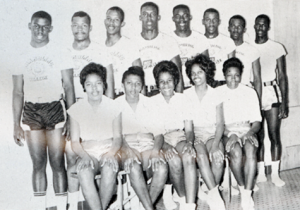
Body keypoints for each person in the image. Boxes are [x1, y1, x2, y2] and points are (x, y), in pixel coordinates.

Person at [12, 11, 75, 210]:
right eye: (36, 25)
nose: (40, 29)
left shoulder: (60, 52)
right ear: (30, 26)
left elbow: (68, 87)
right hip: (31, 110)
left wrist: (72, 118)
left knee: (57, 163)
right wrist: (15, 124)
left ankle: (60, 206)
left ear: (51, 29)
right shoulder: (20, 54)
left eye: (45, 26)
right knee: (38, 164)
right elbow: (17, 91)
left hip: (54, 108)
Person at [66, 11, 114, 209]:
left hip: (99, 109)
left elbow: (108, 84)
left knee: (105, 165)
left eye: (84, 25)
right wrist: (71, 116)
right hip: (78, 110)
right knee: (74, 157)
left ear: (90, 27)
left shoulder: (100, 51)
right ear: (71, 26)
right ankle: (75, 202)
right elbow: (68, 86)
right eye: (76, 25)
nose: (80, 29)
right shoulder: (66, 52)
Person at [67, 63, 122, 210]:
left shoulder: (113, 106)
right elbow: (74, 142)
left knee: (110, 167)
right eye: (89, 84)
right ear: (84, 87)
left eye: (98, 83)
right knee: (83, 170)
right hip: (88, 153)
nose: (94, 88)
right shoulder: (76, 109)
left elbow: (117, 138)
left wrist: (111, 154)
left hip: (108, 150)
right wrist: (84, 156)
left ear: (104, 85)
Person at [115, 66, 168, 209]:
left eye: (137, 83)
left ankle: (144, 206)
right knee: (133, 165)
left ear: (142, 86)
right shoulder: (115, 105)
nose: (133, 88)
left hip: (147, 145)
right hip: (126, 145)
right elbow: (116, 136)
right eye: (129, 83)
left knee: (162, 168)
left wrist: (156, 151)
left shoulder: (150, 104)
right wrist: (128, 151)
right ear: (122, 85)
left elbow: (158, 134)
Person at [217, 57, 261, 210]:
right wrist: (231, 134)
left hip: (246, 129)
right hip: (227, 131)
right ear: (224, 75)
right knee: (235, 151)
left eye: (237, 75)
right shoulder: (218, 93)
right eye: (229, 75)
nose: (233, 79)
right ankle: (243, 188)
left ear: (241, 75)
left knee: (250, 150)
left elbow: (256, 122)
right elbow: (218, 123)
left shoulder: (250, 92)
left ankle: (247, 195)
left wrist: (249, 133)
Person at [152, 61, 197, 210]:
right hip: (160, 139)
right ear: (157, 84)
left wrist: (190, 143)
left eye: (169, 81)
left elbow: (189, 130)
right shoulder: (152, 102)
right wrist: (164, 146)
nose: (166, 85)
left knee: (189, 156)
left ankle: (190, 205)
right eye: (162, 82)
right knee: (175, 161)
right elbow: (154, 133)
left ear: (175, 81)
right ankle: (182, 197)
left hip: (179, 136)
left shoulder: (183, 99)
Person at [184, 54, 226, 210]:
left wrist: (215, 145)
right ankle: (215, 196)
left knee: (218, 158)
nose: (196, 76)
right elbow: (188, 127)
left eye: (199, 72)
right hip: (195, 134)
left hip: (213, 134)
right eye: (193, 73)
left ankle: (207, 190)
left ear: (206, 72)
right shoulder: (186, 95)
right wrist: (190, 140)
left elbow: (220, 124)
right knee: (201, 155)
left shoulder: (216, 93)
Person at [253, 14, 288, 187]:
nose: (260, 28)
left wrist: (285, 102)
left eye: (263, 25)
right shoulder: (248, 47)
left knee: (274, 135)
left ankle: (275, 174)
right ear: (254, 26)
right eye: (258, 25)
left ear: (268, 27)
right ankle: (260, 172)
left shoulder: (276, 47)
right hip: (253, 92)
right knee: (258, 135)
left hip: (271, 91)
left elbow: (282, 76)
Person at [138, 2, 183, 96]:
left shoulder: (168, 41)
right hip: (142, 93)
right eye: (145, 14)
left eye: (153, 14)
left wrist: (179, 100)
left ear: (158, 17)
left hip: (164, 93)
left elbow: (178, 74)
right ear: (140, 17)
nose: (149, 18)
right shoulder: (133, 42)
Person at [104, 6, 143, 97]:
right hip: (104, 97)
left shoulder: (129, 45)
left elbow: (140, 76)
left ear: (122, 23)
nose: (111, 23)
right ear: (105, 21)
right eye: (109, 19)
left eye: (116, 20)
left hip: (123, 95)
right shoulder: (99, 47)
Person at [171, 4, 209, 89]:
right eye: (177, 16)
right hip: (174, 88)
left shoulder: (200, 39)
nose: (182, 19)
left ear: (190, 17)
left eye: (185, 16)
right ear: (173, 19)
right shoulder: (168, 39)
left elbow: (207, 68)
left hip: (195, 87)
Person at [228, 15, 262, 99]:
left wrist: (258, 102)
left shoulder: (252, 50)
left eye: (239, 27)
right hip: (227, 92)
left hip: (245, 92)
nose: (235, 29)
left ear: (244, 30)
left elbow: (257, 78)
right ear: (228, 28)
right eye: (233, 26)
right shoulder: (223, 47)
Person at [202, 8, 236, 87]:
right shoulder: (198, 40)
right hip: (204, 84)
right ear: (203, 22)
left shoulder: (228, 41)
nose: (211, 23)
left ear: (219, 22)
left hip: (223, 83)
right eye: (208, 20)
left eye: (214, 20)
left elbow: (232, 67)